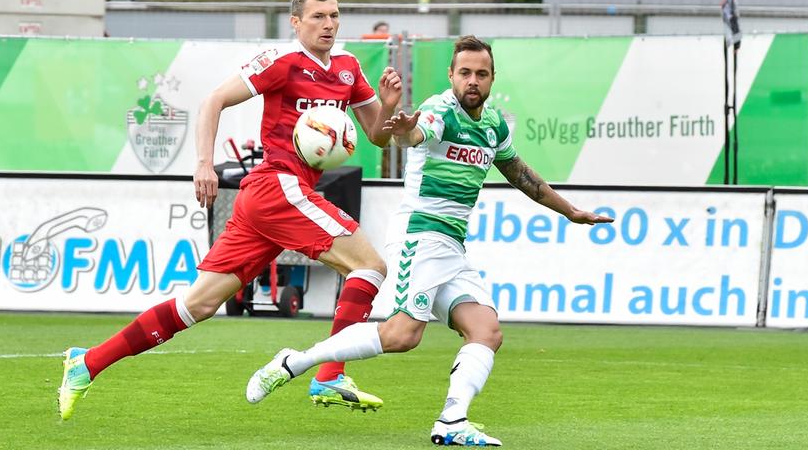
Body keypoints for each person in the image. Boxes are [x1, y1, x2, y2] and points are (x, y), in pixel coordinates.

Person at [245, 35, 615, 446]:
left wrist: (570, 212)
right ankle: (295, 362)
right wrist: (405, 131)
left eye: (481, 74)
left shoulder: (492, 125)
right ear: (451, 75)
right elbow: (415, 135)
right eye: (465, 73)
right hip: (420, 236)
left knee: (486, 330)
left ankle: (452, 421)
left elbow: (520, 174)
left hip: (452, 246)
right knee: (403, 335)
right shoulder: (442, 109)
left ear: (492, 78)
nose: (472, 81)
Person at [58, 0, 403, 420]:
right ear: (296, 22)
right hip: (278, 187)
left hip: (271, 198)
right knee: (369, 266)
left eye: (334, 15)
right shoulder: (282, 61)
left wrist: (390, 108)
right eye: (318, 16)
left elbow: (377, 135)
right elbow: (214, 100)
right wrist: (204, 163)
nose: (329, 24)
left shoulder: (349, 67)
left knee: (197, 306)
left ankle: (86, 364)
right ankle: (329, 373)